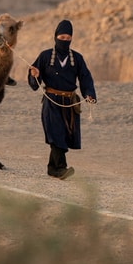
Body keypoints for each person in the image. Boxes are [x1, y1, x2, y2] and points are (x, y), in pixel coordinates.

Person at [27, 20, 97, 180]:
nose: (64, 40)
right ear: (55, 37)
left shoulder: (77, 58)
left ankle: (52, 168)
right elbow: (34, 78)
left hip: (70, 103)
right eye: (61, 36)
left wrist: (90, 94)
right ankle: (60, 169)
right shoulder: (44, 56)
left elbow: (85, 78)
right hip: (51, 102)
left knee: (64, 135)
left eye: (67, 37)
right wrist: (35, 75)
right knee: (56, 133)